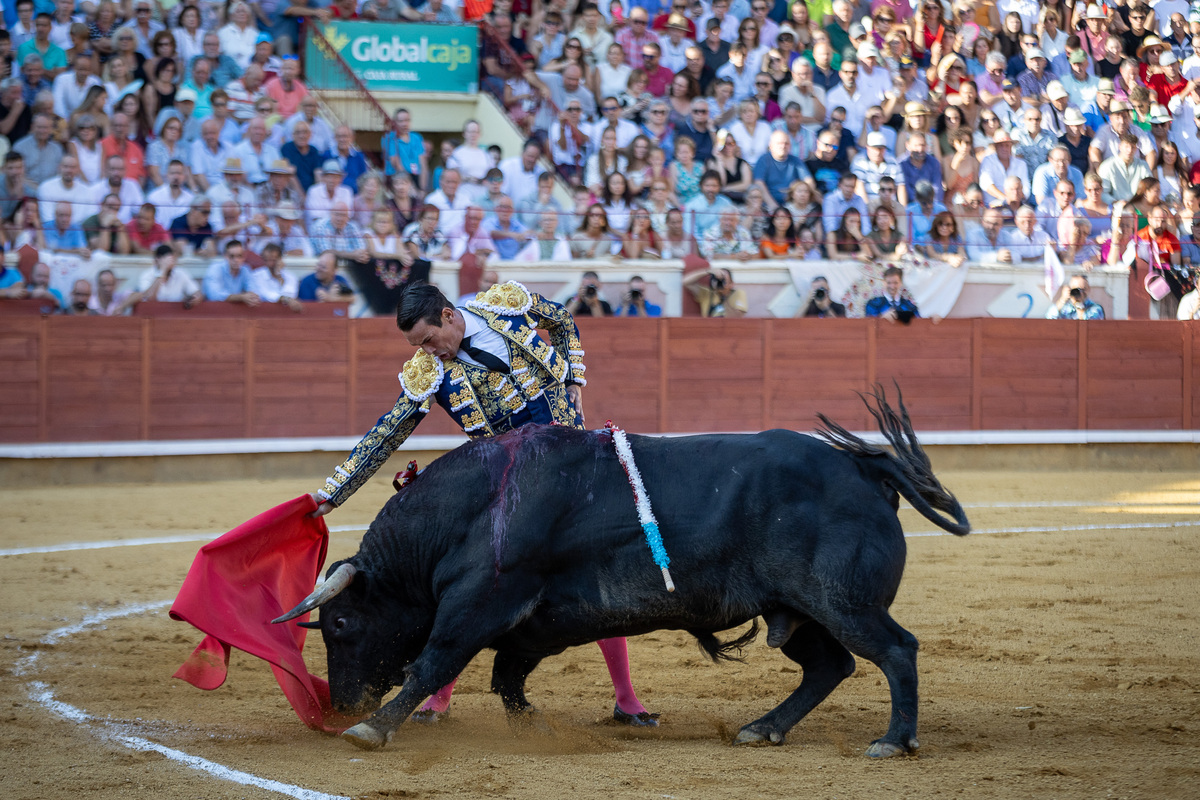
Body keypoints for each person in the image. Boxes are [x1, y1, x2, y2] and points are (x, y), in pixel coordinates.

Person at [310, 279, 656, 727]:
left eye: (430, 340)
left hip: (575, 470)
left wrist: (574, 377)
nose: (429, 351)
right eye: (419, 346)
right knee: (473, 583)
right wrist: (334, 492)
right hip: (512, 490)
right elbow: (386, 433)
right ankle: (437, 697)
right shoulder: (428, 372)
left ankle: (626, 699)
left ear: (449, 316)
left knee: (594, 573)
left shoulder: (505, 305)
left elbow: (563, 320)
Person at [136, 242, 201, 304]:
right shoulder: (147, 275)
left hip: (175, 313)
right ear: (157, 260)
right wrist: (162, 271)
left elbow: (196, 293)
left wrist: (195, 298)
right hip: (153, 313)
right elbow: (149, 298)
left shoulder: (180, 273)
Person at [683, 266, 747, 317]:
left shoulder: (738, 293)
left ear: (731, 284)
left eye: (723, 280)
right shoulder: (706, 293)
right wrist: (708, 271)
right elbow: (685, 281)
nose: (720, 283)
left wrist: (723, 296)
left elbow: (738, 317)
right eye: (718, 280)